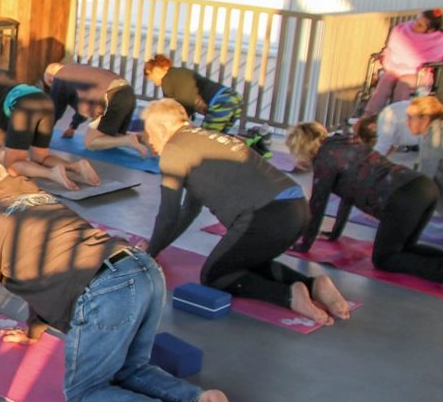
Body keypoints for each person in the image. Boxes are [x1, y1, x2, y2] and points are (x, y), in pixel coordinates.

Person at [0, 157, 249, 402]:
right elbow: (42, 274)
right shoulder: (40, 197)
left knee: (84, 392)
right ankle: (202, 399)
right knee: (131, 369)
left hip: (106, 288)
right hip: (142, 268)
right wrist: (33, 331)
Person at [142, 100, 350, 325]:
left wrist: (147, 255)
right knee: (241, 263)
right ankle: (313, 286)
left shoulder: (174, 149)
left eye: (149, 133)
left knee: (215, 275)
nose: (149, 141)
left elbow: (168, 215)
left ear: (163, 129)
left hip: (265, 215)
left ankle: (289, 296)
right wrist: (158, 248)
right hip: (296, 208)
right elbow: (189, 211)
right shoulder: (204, 138)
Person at [288, 121, 442, 282]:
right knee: (405, 249)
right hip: (423, 186)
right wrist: (334, 233)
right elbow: (347, 196)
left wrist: (304, 244)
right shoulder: (347, 142)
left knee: (384, 259)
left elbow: (317, 204)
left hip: (403, 196)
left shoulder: (324, 159)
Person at [0, 49, 99, 190]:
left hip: (23, 106)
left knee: (12, 165)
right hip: (44, 100)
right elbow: (0, 122)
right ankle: (76, 167)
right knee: (40, 158)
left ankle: (51, 173)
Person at [43, 61, 147, 156]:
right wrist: (73, 127)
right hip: (128, 92)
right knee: (113, 134)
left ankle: (128, 140)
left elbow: (54, 110)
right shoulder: (78, 70)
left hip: (112, 96)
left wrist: (42, 135)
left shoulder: (60, 77)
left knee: (90, 142)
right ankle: (142, 139)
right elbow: (83, 105)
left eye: (50, 85)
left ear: (51, 78)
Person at [362, 9, 443, 117]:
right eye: (416, 21)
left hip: (419, 73)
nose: (414, 26)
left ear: (430, 30)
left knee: (403, 83)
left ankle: (398, 117)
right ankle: (368, 116)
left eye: (420, 25)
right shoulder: (402, 30)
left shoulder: (437, 40)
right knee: (385, 80)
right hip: (396, 68)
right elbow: (393, 48)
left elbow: (435, 57)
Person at [143, 54, 244, 135]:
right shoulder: (181, 72)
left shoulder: (167, 80)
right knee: (221, 139)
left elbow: (172, 109)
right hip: (234, 97)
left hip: (220, 102)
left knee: (206, 139)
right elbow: (188, 95)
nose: (156, 83)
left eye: (152, 78)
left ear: (156, 70)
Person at [406, 95, 443, 207]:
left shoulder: (435, 135)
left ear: (425, 119)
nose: (406, 123)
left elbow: (425, 178)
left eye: (410, 118)